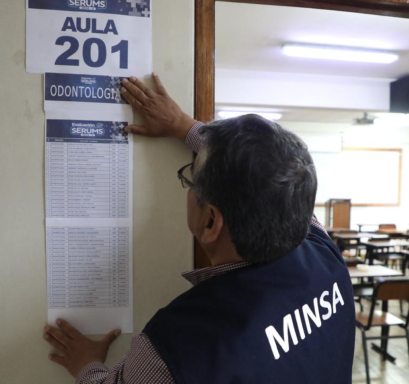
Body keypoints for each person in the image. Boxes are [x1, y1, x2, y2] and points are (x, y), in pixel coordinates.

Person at [43, 73, 356, 383]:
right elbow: (271, 176)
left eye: (190, 178)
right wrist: (183, 126)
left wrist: (87, 365)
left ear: (210, 222)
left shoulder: (176, 345)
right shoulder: (324, 253)